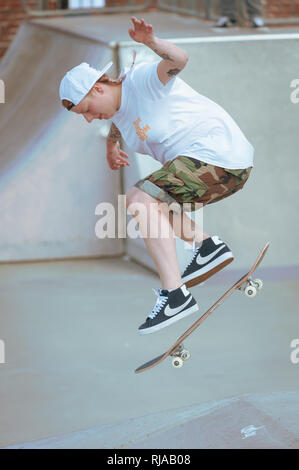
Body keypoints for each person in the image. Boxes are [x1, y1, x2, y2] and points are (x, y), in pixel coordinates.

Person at [59, 17, 254, 335]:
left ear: (98, 87)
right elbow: (122, 119)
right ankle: (205, 248)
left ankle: (175, 294)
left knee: (140, 198)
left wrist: (151, 42)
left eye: (89, 110)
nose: (90, 118)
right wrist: (111, 145)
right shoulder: (119, 114)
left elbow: (179, 60)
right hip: (218, 169)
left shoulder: (142, 80)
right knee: (150, 205)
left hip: (219, 155)